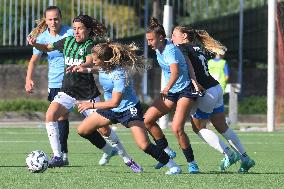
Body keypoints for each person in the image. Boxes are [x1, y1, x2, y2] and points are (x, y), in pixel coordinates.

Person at [27, 15, 139, 172]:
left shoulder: (90, 45)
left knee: (104, 130)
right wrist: (36, 44)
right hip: (67, 91)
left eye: (80, 28)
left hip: (88, 95)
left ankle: (128, 159)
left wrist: (81, 65)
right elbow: (47, 48)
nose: (76, 31)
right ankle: (58, 157)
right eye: (74, 28)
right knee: (50, 115)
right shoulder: (66, 41)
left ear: (87, 30)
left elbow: (89, 60)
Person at [76, 41, 182, 174]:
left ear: (106, 60)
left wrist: (90, 105)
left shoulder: (119, 74)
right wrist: (86, 69)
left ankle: (173, 166)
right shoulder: (104, 67)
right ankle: (118, 154)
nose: (93, 61)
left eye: (95, 59)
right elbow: (99, 70)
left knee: (143, 145)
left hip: (128, 110)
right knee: (82, 130)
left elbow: (114, 102)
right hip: (111, 110)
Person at [171, 25, 255, 173]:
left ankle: (229, 154)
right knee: (222, 126)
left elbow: (185, 67)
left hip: (206, 92)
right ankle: (245, 159)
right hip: (216, 88)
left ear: (184, 36)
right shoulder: (197, 48)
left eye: (174, 35)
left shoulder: (182, 48)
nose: (172, 38)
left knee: (198, 128)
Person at [144, 17, 202, 174]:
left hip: (184, 90)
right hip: (172, 91)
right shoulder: (158, 49)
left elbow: (175, 72)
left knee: (176, 128)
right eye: (148, 39)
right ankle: (167, 151)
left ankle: (192, 163)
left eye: (151, 39)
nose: (149, 42)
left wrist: (167, 87)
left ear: (161, 38)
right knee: (147, 120)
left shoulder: (170, 50)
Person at [25, 6, 73, 165]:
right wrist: (28, 79)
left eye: (56, 18)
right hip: (54, 83)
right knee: (59, 117)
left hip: (72, 81)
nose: (53, 22)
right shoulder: (42, 37)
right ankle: (61, 155)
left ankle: (61, 155)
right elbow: (33, 60)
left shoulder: (69, 33)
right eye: (50, 19)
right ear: (46, 20)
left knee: (61, 116)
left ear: (61, 18)